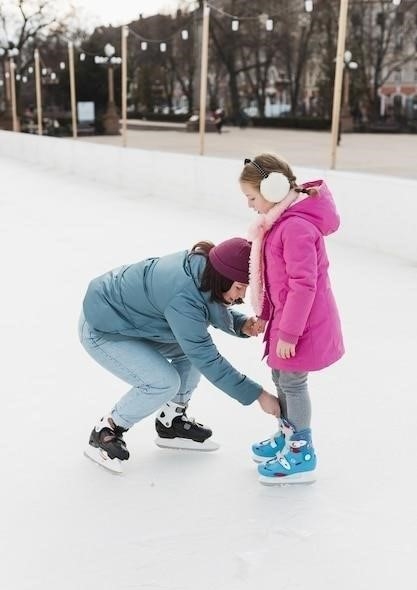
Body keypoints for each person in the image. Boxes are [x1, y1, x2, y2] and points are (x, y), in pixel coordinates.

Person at [79, 237, 279, 473]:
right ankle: (107, 429)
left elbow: (206, 304)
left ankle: (170, 422)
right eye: (238, 288)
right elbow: (206, 356)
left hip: (136, 321)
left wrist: (240, 323)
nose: (241, 297)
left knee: (188, 353)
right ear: (221, 277)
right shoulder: (183, 297)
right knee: (163, 382)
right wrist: (258, 394)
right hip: (102, 328)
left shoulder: (205, 269)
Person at [239, 154, 344, 485]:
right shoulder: (280, 223)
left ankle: (301, 451)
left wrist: (288, 333)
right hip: (287, 321)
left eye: (252, 197)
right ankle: (289, 435)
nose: (249, 205)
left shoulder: (295, 227)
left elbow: (303, 285)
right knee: (281, 377)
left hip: (301, 325)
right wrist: (268, 318)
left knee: (293, 382)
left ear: (272, 189)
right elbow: (274, 280)